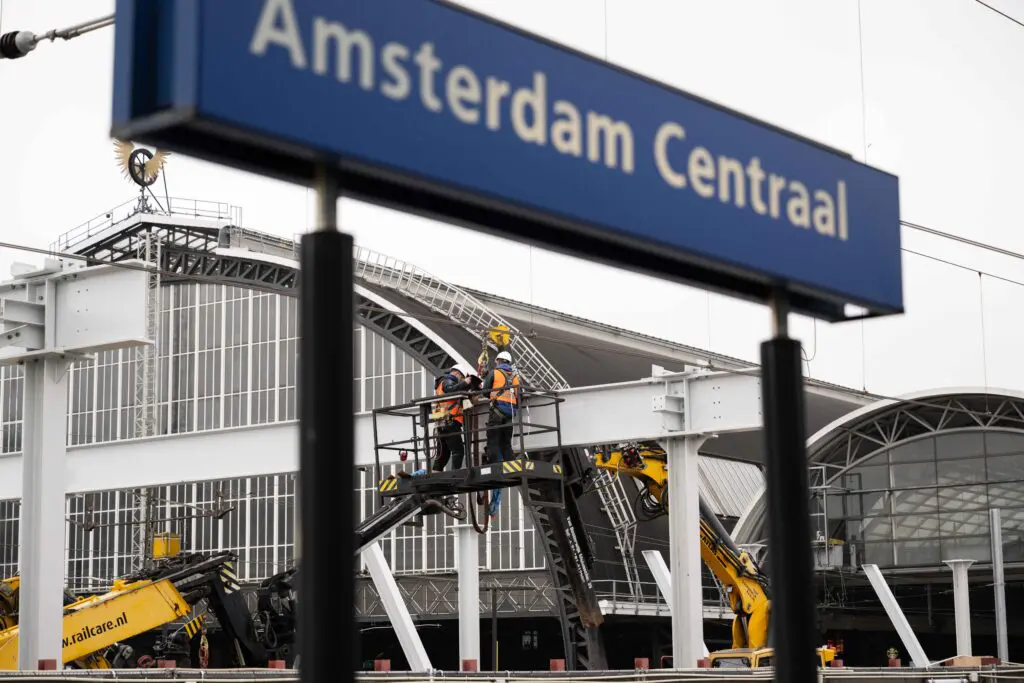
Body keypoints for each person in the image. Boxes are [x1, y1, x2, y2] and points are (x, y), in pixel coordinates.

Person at [480, 351, 521, 519]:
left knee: (493, 443)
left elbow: (484, 392)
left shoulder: (494, 373)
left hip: (496, 413)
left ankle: (496, 466)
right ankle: (510, 465)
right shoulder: (516, 378)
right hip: (509, 415)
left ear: (498, 361)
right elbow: (520, 397)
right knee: (506, 443)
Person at [428, 363, 475, 472]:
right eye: (461, 377)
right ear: (457, 373)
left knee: (443, 453)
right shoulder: (448, 381)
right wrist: (465, 382)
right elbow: (451, 390)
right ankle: (455, 474)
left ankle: (435, 473)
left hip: (442, 422)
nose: (461, 380)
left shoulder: (443, 383)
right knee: (458, 450)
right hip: (450, 421)